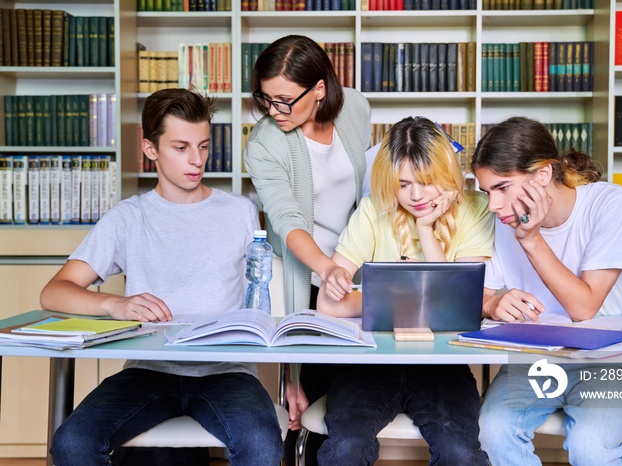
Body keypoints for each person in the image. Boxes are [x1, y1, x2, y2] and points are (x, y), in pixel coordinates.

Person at [40, 88, 283, 466]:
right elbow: (54, 293)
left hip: (228, 372)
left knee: (263, 446)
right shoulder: (127, 218)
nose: (197, 159)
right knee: (71, 443)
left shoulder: (240, 212)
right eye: (181, 147)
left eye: (203, 146)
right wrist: (114, 303)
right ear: (150, 148)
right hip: (148, 370)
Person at [316, 116, 493, 465]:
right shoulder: (373, 210)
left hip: (441, 363)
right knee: (345, 449)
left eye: (427, 183)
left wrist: (426, 231)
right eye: (403, 184)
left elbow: (458, 303)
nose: (415, 196)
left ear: (447, 175)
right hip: (368, 363)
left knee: (460, 453)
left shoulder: (475, 209)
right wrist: (415, 298)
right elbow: (328, 304)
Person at [472, 116, 622, 466]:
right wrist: (492, 303)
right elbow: (474, 293)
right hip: (534, 360)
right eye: (487, 192)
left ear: (543, 175)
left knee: (591, 447)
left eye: (502, 188)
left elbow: (584, 308)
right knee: (492, 429)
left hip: (609, 362)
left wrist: (532, 240)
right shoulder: (505, 220)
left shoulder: (612, 204)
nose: (492, 205)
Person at [243, 34, 371, 462]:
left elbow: (366, 190)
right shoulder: (265, 142)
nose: (273, 112)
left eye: (284, 100)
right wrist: (327, 267)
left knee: (353, 402)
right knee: (313, 402)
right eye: (265, 99)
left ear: (319, 90)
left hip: (357, 266)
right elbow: (286, 219)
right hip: (306, 273)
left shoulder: (355, 108)